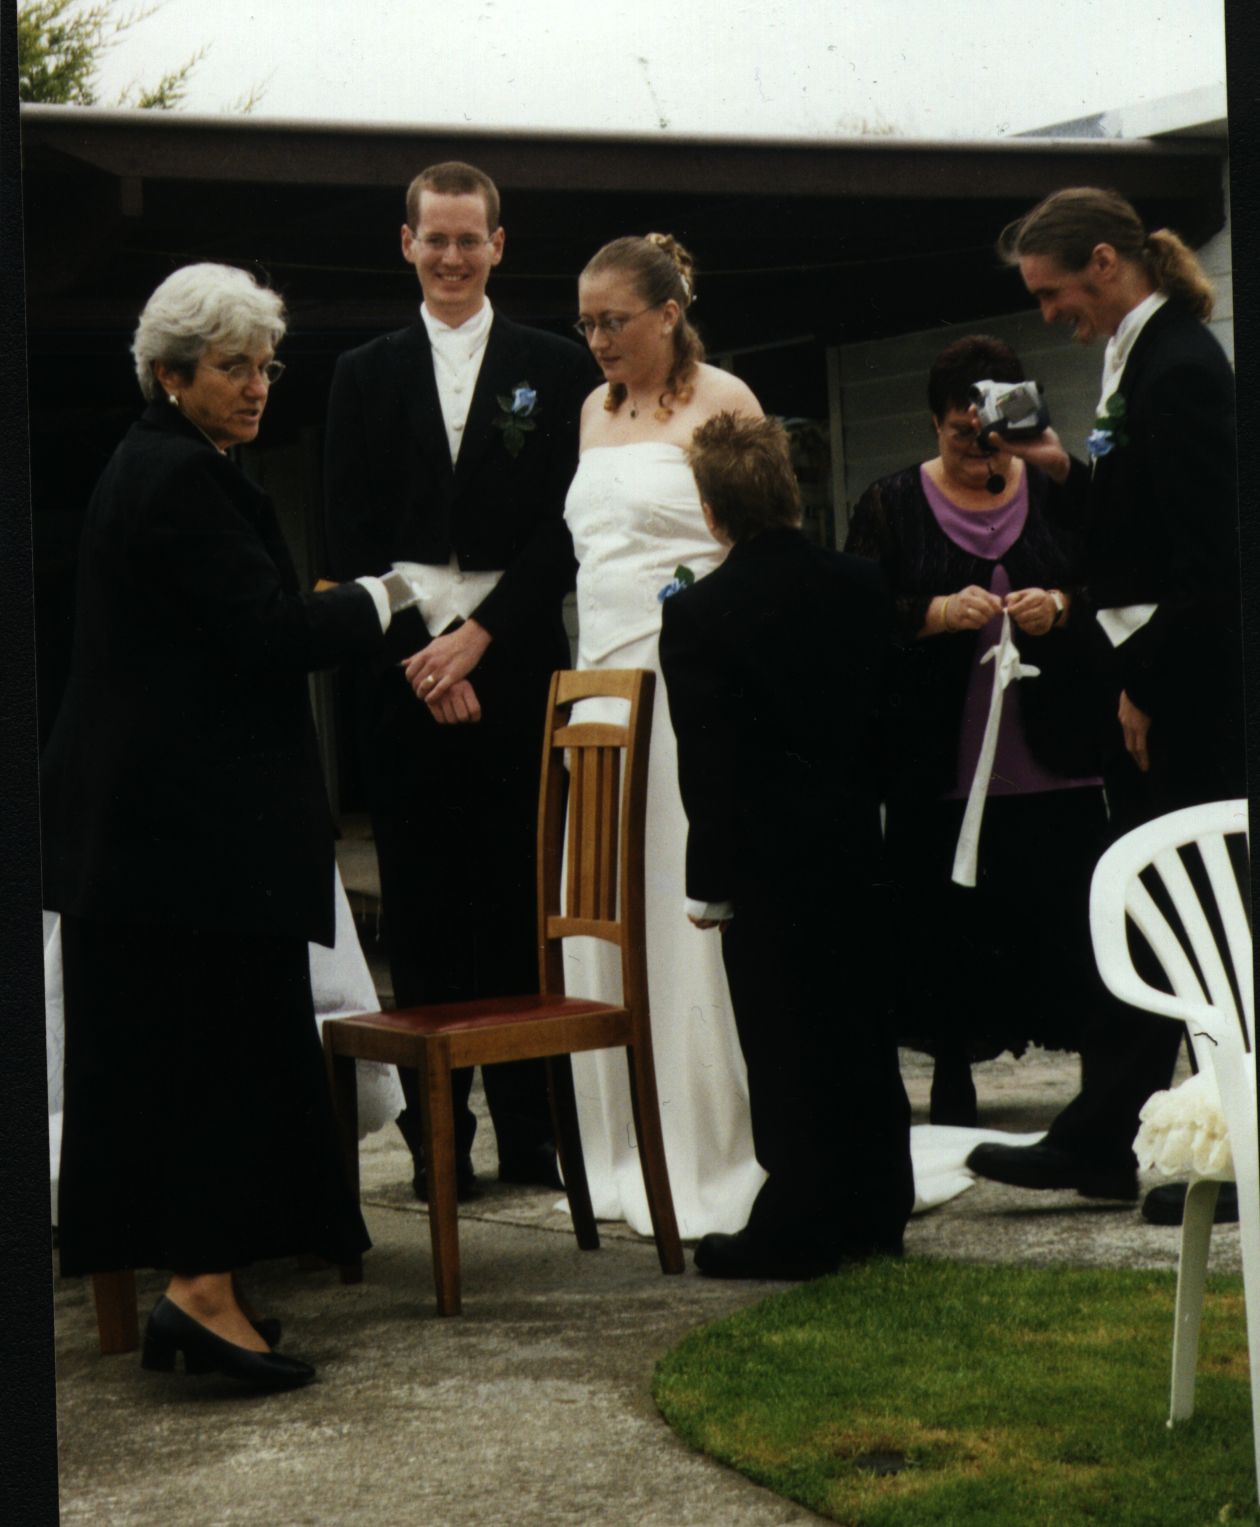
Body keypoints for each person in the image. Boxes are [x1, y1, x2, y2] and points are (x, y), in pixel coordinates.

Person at [41, 263, 414, 1390]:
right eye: (231, 368)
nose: (257, 386)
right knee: (212, 1066)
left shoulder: (163, 464)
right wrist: (385, 598)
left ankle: (203, 1290)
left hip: (164, 841)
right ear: (170, 375)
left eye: (265, 365)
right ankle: (201, 1295)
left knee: (199, 1063)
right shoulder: (177, 478)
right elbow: (266, 635)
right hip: (183, 849)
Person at [962, 188, 1244, 1223]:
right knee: (1151, 913)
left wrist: (1145, 687)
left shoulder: (1181, 366)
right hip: (1152, 677)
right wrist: (1059, 472)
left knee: (1208, 921)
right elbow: (1139, 523)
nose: (1049, 314)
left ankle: (1233, 1150)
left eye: (1053, 292)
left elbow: (1216, 560)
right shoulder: (1141, 354)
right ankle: (1104, 1136)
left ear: (1105, 263)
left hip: (1190, 692)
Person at [324, 162, 594, 1199]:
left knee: (518, 896)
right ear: (407, 245)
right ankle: (442, 1139)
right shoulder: (362, 372)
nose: (450, 257)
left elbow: (565, 529)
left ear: (497, 245)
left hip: (514, 662)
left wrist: (479, 639)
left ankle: (531, 1129)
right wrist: (424, 658)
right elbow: (346, 537)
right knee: (423, 906)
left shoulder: (552, 365)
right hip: (404, 675)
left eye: (467, 239)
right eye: (433, 239)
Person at [659, 413, 914, 1277]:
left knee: (782, 1041)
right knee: (861, 1031)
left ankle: (799, 1222)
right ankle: (877, 1208)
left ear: (711, 513)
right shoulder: (860, 583)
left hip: (767, 866)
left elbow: (709, 766)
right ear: (791, 490)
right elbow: (888, 721)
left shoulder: (698, 613)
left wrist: (709, 885)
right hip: (855, 849)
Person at [845, 335, 1119, 1139]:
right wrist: (933, 614)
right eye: (962, 433)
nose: (980, 449)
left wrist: (1059, 608)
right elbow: (858, 617)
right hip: (940, 766)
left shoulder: (1059, 490)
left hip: (1054, 760)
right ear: (934, 424)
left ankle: (1092, 1090)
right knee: (944, 926)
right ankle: (953, 1067)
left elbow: (1111, 581)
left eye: (994, 434)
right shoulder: (891, 504)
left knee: (1063, 918)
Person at [563, 233, 767, 1239]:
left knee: (686, 908)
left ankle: (709, 1146)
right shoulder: (589, 413)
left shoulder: (724, 400)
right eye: (586, 324)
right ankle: (622, 1150)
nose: (599, 340)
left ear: (669, 314)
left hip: (687, 682)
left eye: (614, 321)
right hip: (600, 688)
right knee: (607, 911)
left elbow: (758, 547)